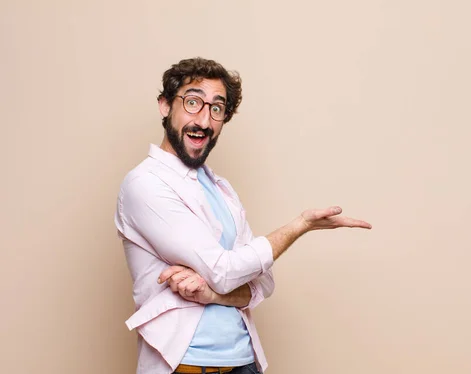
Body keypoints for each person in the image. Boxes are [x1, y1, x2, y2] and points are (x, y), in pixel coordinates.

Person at [114, 57, 372, 374]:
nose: (205, 120)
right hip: (185, 366)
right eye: (192, 102)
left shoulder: (221, 189)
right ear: (165, 106)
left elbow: (262, 282)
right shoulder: (146, 184)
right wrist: (299, 225)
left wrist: (210, 292)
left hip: (243, 362)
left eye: (217, 109)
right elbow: (226, 271)